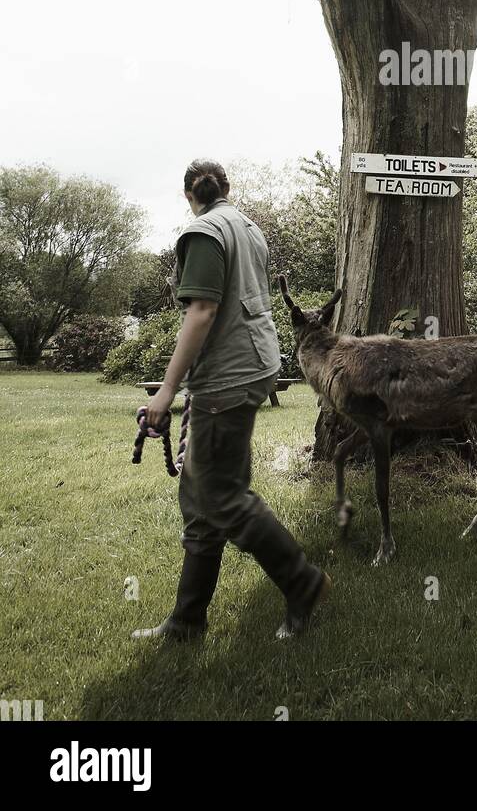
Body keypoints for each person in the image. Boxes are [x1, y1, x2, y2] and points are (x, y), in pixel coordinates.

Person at [131, 158, 330, 641]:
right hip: (253, 367)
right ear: (226, 188)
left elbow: (201, 312)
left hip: (226, 378)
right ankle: (186, 621)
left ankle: (303, 581)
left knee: (221, 496)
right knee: (202, 495)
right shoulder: (248, 227)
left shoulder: (203, 232)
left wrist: (167, 391)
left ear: (188, 194)